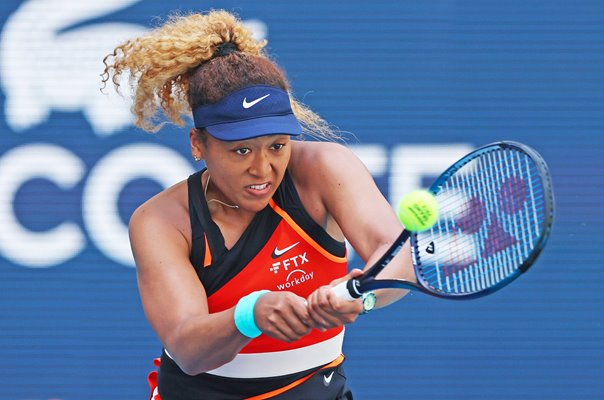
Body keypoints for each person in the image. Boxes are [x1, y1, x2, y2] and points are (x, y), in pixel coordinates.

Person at [102, 10, 414, 400]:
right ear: (198, 144)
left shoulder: (325, 168)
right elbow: (188, 348)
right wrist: (250, 315)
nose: (263, 168)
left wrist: (359, 293)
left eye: (277, 146)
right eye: (242, 150)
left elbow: (398, 258)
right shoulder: (160, 220)